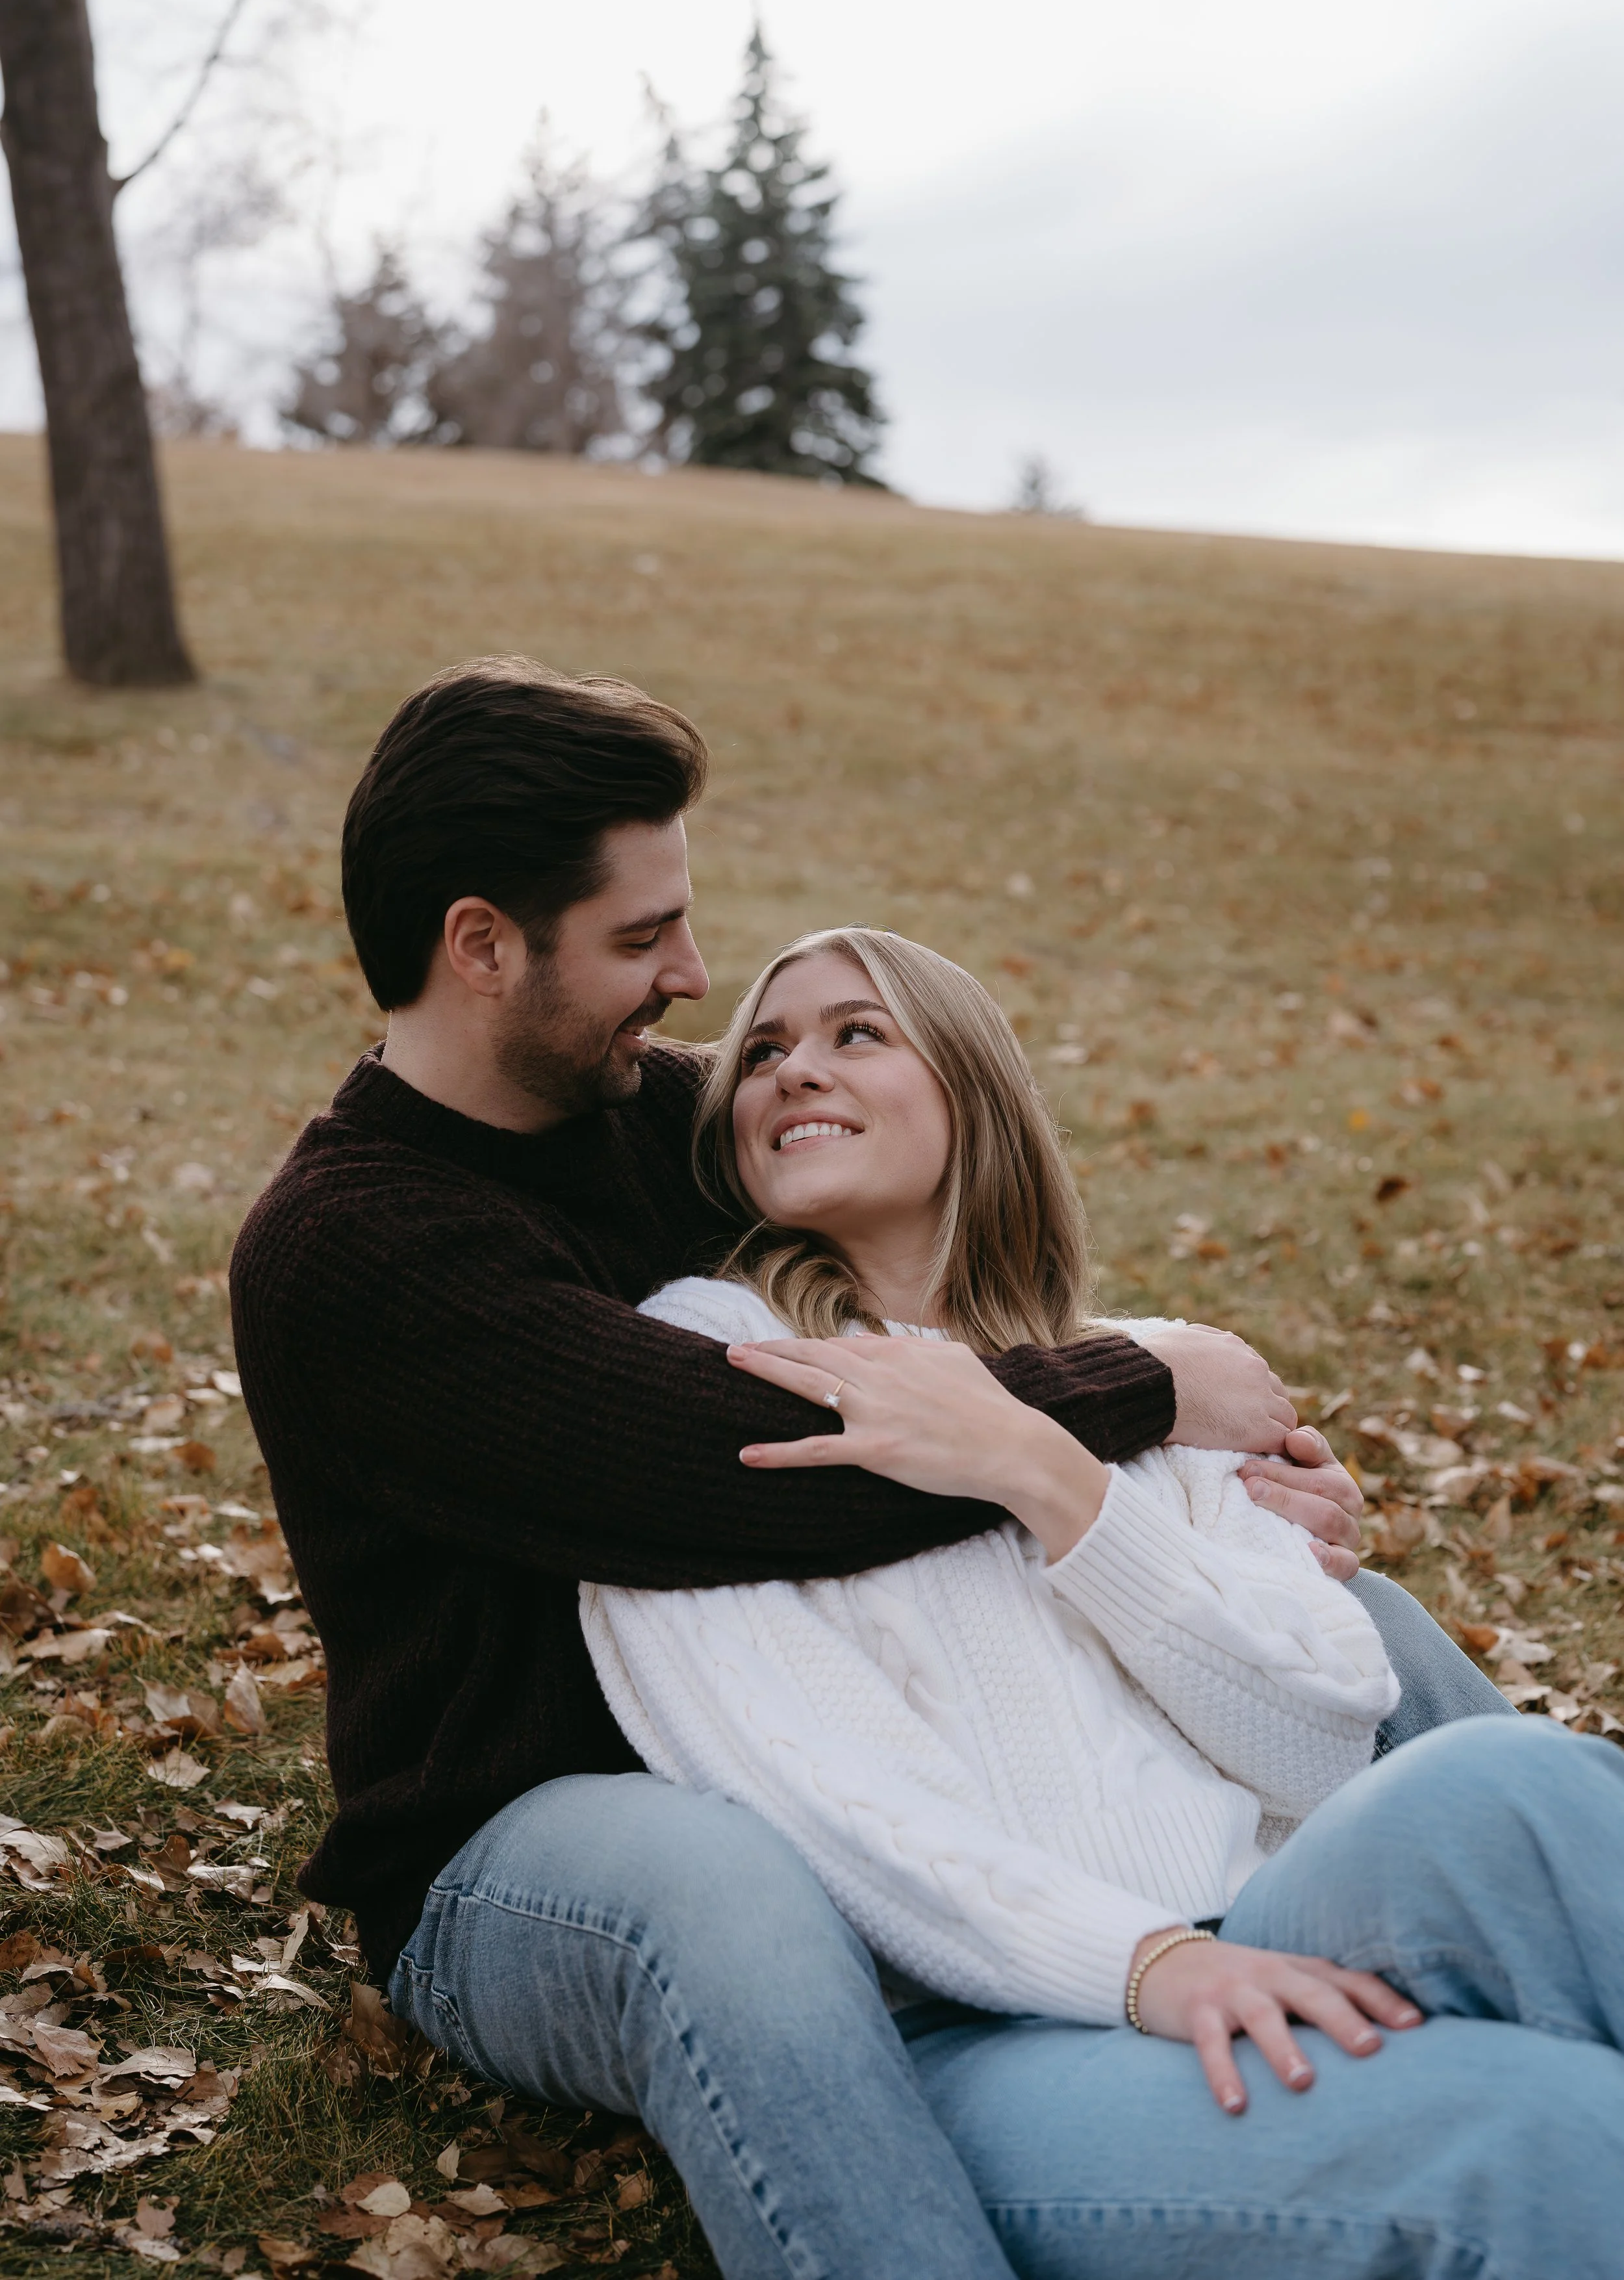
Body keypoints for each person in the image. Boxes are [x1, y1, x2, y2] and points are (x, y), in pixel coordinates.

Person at [232, 659, 1508, 2280]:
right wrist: (1142, 1383)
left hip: (821, 1723)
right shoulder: (353, 1249)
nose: (693, 979)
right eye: (640, 940)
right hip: (533, 1835)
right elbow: (753, 1462)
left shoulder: (659, 1117)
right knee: (722, 1890)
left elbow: (917, 1287)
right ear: (481, 946)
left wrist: (1214, 1471)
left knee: (1371, 1629)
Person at [582, 923, 1618, 2280]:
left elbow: (1310, 1744)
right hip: (992, 2033)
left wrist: (1054, 1481)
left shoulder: (1133, 1384)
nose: (789, 1071)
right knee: (1543, 2139)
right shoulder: (710, 1365)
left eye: (855, 1034)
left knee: (1501, 1784)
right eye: (763, 1052)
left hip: (1263, 1918)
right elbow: (819, 1800)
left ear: (971, 1092)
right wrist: (1140, 1965)